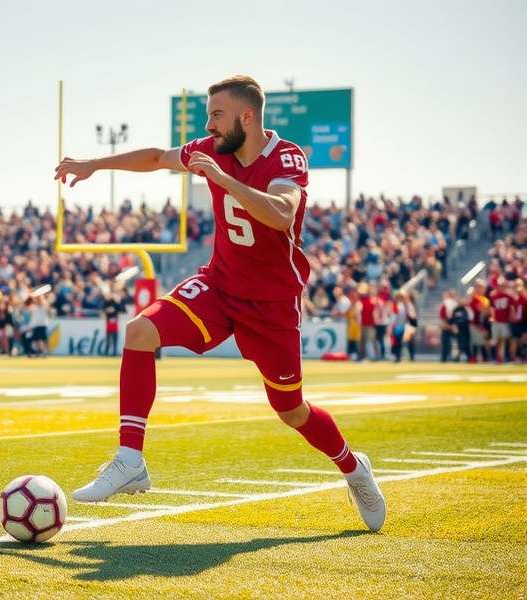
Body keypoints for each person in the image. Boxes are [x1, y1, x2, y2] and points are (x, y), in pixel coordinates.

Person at [55, 75, 385, 531]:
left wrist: (226, 180)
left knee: (292, 410)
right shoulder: (212, 149)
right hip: (220, 285)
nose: (208, 124)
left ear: (246, 117)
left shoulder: (286, 156)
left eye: (216, 114)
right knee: (140, 331)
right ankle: (130, 458)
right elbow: (156, 157)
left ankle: (353, 468)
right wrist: (95, 163)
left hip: (271, 304)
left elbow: (282, 213)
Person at [489, 277, 513, 363]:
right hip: (496, 321)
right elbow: (492, 308)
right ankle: (497, 357)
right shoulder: (494, 296)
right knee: (497, 340)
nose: (501, 287)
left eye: (502, 285)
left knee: (506, 339)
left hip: (505, 321)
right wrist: (492, 316)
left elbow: (511, 308)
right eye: (499, 285)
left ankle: (506, 357)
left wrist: (511, 317)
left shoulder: (509, 296)